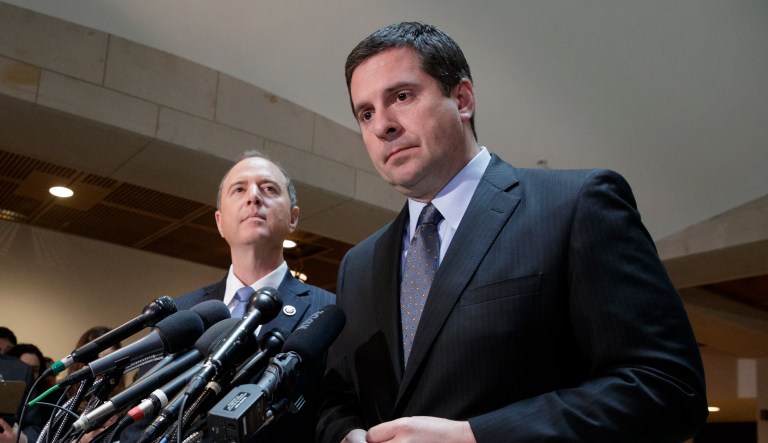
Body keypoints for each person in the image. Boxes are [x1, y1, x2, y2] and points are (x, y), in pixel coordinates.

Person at [317, 22, 708, 443]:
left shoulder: (577, 206)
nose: (383, 126)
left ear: (462, 99)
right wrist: (347, 435)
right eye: (366, 113)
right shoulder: (358, 264)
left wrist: (476, 436)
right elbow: (337, 399)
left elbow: (666, 386)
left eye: (402, 96)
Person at [120, 150, 335, 443]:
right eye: (239, 189)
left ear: (293, 218)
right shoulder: (182, 314)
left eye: (269, 189)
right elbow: (138, 422)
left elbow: (337, 412)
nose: (254, 197)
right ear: (220, 222)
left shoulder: (327, 311)